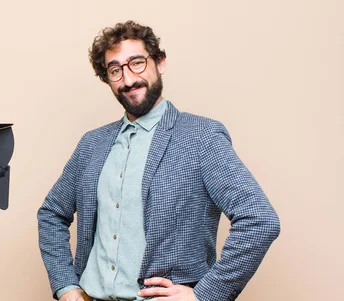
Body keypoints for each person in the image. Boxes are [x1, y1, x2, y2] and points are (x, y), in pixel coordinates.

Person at [37, 20, 280, 301]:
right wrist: (66, 286)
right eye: (115, 70)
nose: (128, 80)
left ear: (160, 62)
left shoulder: (202, 137)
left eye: (137, 63)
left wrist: (205, 295)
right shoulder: (92, 143)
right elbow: (51, 213)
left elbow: (260, 220)